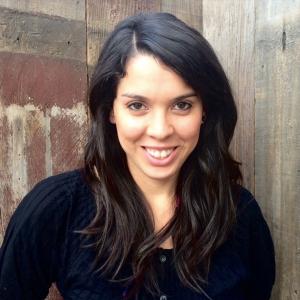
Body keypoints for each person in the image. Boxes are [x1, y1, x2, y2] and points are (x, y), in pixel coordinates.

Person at [0, 12, 275, 300]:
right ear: (110, 109)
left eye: (182, 105)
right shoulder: (56, 209)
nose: (160, 130)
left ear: (204, 111)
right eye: (137, 105)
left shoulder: (240, 215)